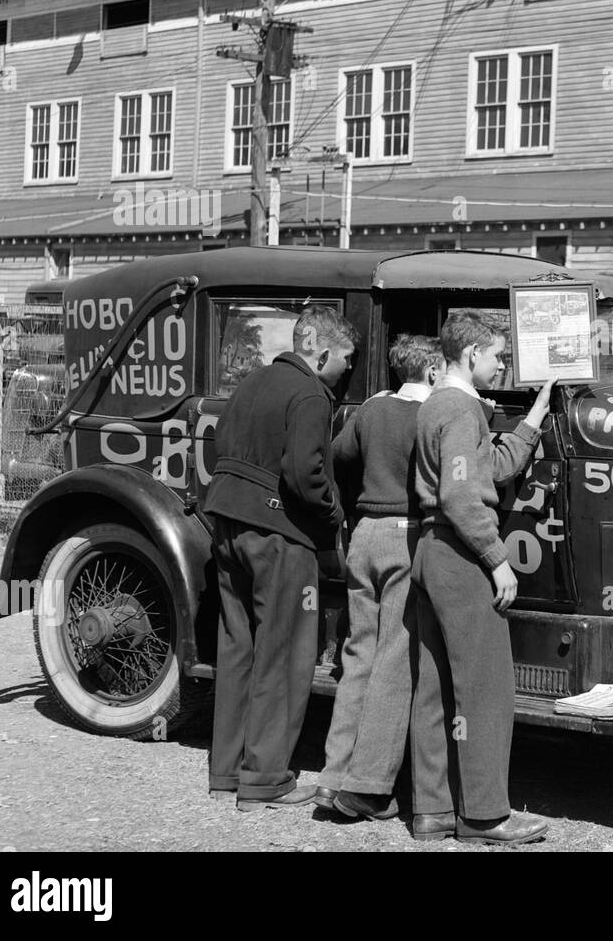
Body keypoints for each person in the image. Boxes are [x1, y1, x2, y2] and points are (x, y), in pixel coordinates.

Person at [204, 304, 359, 811]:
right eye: (346, 360)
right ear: (323, 351)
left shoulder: (253, 381)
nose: (347, 371)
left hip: (226, 524)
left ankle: (227, 772)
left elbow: (220, 441)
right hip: (279, 534)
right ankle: (265, 780)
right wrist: (334, 516)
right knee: (285, 653)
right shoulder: (313, 391)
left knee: (237, 648)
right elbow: (305, 473)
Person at [409, 310, 555, 845]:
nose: (501, 367)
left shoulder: (434, 406)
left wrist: (533, 417)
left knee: (435, 687)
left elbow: (487, 467)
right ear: (472, 355)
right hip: (460, 554)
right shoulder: (462, 408)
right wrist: (496, 557)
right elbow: (462, 493)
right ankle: (486, 815)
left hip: (429, 548)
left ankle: (433, 811)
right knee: (487, 688)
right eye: (497, 357)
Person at [316, 334, 442, 820]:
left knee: (358, 655)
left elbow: (338, 456)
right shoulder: (431, 415)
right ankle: (367, 786)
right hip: (404, 536)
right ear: (433, 371)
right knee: (395, 658)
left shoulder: (371, 409)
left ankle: (332, 777)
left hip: (364, 534)